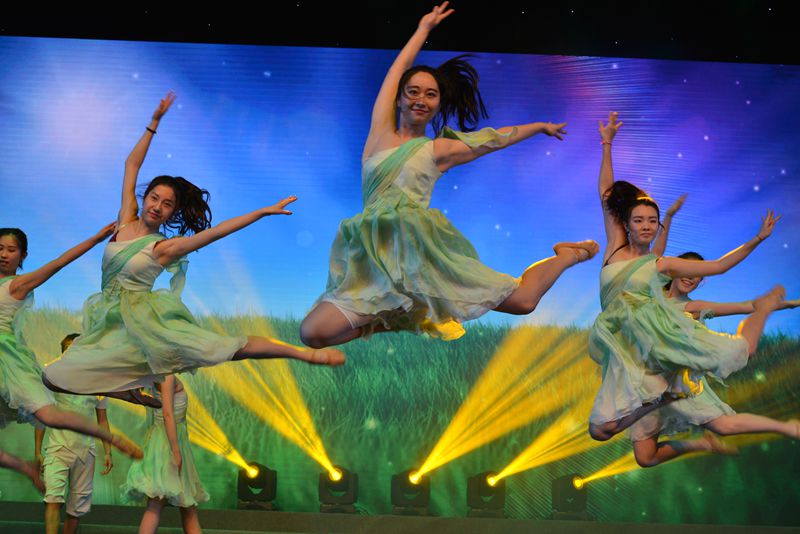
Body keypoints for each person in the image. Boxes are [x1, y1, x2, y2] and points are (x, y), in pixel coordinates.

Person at [300, 2, 598, 348]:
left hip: (420, 257)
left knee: (523, 301)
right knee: (313, 333)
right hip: (374, 260)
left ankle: (568, 255)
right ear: (399, 99)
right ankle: (394, 317)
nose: (420, 99)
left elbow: (495, 139)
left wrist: (539, 126)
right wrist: (423, 29)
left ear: (438, 105)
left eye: (431, 95)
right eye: (413, 92)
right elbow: (397, 69)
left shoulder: (438, 150)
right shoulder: (379, 134)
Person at [43, 91, 344, 403]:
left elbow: (216, 233)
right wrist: (154, 121)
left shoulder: (163, 248)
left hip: (143, 323)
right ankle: (127, 391)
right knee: (52, 377)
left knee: (226, 347)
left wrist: (262, 212)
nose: (157, 206)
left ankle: (303, 354)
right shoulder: (125, 218)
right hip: (108, 322)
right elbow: (131, 165)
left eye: (167, 204)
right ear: (145, 198)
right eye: (154, 198)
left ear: (173, 213)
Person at [588, 111, 786, 444]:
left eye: (653, 221)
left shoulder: (661, 265)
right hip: (619, 342)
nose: (646, 226)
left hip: (651, 339)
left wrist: (757, 239)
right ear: (627, 224)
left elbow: (719, 266)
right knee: (600, 430)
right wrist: (607, 143)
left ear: (658, 227)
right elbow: (607, 193)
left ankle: (758, 314)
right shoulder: (615, 248)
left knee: (733, 354)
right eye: (639, 220)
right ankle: (662, 399)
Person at [0, 226, 141, 458]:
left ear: (22, 255)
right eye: (0, 249)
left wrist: (96, 239)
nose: (4, 254)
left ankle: (109, 437)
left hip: (6, 356)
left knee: (49, 416)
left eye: (11, 250)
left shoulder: (18, 284)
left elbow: (59, 262)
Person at [35, 333, 113, 534]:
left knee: (77, 507)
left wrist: (108, 451)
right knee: (53, 499)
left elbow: (102, 420)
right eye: (70, 350)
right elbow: (42, 416)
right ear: (63, 353)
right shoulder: (51, 376)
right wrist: (37, 451)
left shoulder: (97, 382)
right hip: (58, 448)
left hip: (85, 451)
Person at [123, 375, 206, 534]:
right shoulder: (167, 376)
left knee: (186, 506)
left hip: (167, 441)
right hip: (167, 444)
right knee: (158, 503)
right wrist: (175, 451)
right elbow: (168, 414)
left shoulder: (158, 375)